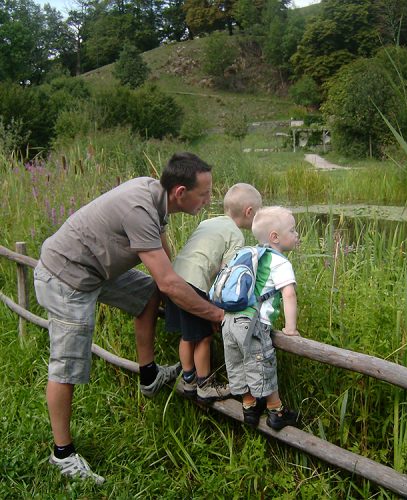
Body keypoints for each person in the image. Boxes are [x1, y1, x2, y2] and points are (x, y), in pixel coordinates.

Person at [34, 152, 224, 483]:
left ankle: (149, 375)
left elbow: (166, 267)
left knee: (147, 291)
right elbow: (168, 282)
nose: (208, 201)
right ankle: (61, 455)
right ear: (181, 192)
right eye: (204, 194)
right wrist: (217, 314)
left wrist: (189, 287)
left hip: (95, 271)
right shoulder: (140, 210)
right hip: (66, 276)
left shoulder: (156, 197)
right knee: (67, 365)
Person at [166, 183, 262, 402]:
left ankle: (188, 379)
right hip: (194, 283)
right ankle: (205, 384)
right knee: (203, 337)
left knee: (187, 334)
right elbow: (227, 277)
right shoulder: (236, 236)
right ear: (249, 212)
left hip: (174, 277)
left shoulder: (209, 221)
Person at [221, 206, 301, 431]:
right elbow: (289, 293)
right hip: (252, 323)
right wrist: (290, 328)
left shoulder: (250, 253)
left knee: (239, 363)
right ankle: (276, 412)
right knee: (262, 362)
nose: (297, 235)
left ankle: (249, 407)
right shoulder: (280, 262)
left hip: (229, 320)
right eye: (293, 230)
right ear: (275, 237)